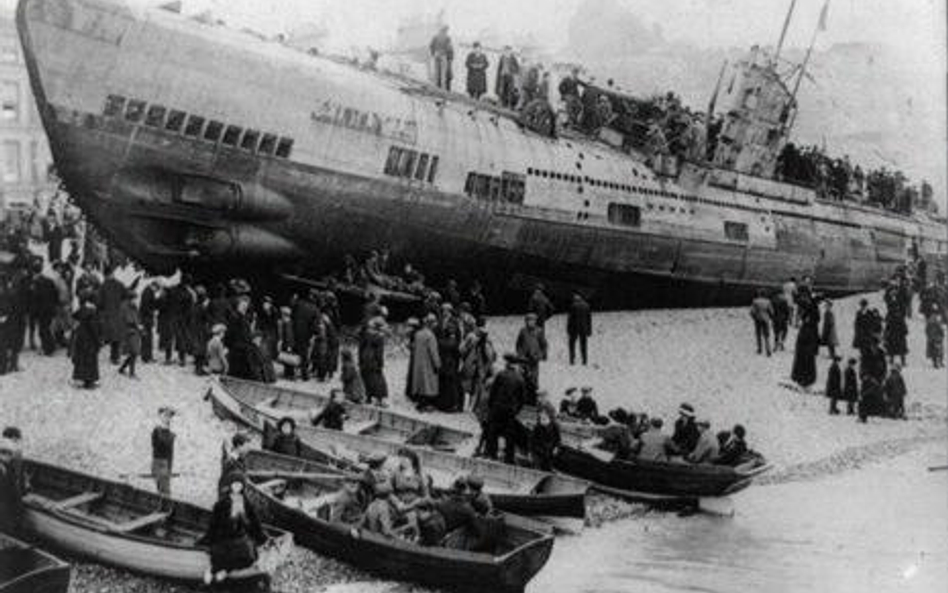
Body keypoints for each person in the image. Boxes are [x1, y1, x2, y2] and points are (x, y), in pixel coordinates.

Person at [200, 477, 268, 585]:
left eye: (239, 485)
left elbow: (255, 522)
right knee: (217, 554)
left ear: (242, 487)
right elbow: (213, 524)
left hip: (239, 538)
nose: (237, 487)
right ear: (231, 486)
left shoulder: (246, 503)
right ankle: (211, 570)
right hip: (223, 537)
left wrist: (263, 537)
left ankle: (226, 570)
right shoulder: (221, 504)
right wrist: (207, 538)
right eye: (234, 485)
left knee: (248, 557)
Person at [485, 354, 526, 464]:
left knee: (493, 432)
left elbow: (493, 393)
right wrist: (516, 410)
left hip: (497, 409)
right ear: (516, 365)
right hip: (510, 412)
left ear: (507, 364)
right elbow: (522, 399)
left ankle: (492, 455)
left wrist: (491, 407)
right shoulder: (520, 379)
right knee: (510, 435)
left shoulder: (500, 375)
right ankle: (509, 459)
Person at [460, 318, 496, 414]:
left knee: (468, 386)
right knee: (476, 387)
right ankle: (472, 407)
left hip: (471, 364)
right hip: (480, 367)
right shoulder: (487, 339)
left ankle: (466, 406)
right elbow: (492, 356)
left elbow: (462, 350)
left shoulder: (470, 336)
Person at [515, 313, 547, 406]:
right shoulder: (522, 331)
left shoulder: (539, 331)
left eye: (532, 321)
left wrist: (540, 355)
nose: (530, 323)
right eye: (529, 321)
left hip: (534, 360)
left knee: (534, 380)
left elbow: (543, 345)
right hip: (524, 360)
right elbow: (518, 344)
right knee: (523, 379)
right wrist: (520, 355)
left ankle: (533, 400)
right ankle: (523, 400)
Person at [436, 305, 463, 412]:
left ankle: (451, 404)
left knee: (450, 381)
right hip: (443, 356)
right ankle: (443, 403)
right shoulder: (441, 321)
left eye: (446, 311)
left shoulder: (453, 323)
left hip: (451, 357)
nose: (444, 312)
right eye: (443, 311)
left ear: (450, 311)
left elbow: (453, 343)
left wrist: (439, 343)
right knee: (444, 379)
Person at [791, 294, 820, 389]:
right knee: (809, 358)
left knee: (801, 357)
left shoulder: (807, 315)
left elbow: (804, 318)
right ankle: (808, 379)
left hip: (804, 337)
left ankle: (799, 377)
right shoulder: (815, 313)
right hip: (810, 337)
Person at [71, 296, 101, 389]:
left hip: (80, 338)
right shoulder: (92, 313)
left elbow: (74, 317)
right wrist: (98, 342)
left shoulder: (81, 311)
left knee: (81, 360)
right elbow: (94, 329)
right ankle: (89, 382)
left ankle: (80, 379)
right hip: (90, 340)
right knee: (90, 361)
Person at [359, 316, 389, 406]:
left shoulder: (366, 334)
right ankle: (379, 400)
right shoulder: (379, 337)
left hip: (365, 358)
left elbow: (361, 348)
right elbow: (379, 353)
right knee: (378, 379)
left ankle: (368, 397)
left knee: (366, 378)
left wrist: (360, 360)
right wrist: (380, 363)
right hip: (374, 360)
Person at [99, 265, 126, 365]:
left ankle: (114, 357)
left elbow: (100, 302)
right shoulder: (119, 284)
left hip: (108, 314)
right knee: (117, 336)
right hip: (118, 313)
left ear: (105, 275)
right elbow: (125, 295)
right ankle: (116, 356)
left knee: (112, 336)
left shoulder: (103, 286)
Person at [0, 431, 24, 533]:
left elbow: (16, 477)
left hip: (10, 496)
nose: (10, 457)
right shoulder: (4, 467)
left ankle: (12, 528)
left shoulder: (10, 463)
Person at [151, 406, 176, 503]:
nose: (168, 418)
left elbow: (170, 451)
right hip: (159, 463)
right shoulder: (157, 431)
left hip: (167, 464)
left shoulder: (169, 432)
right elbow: (158, 445)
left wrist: (169, 468)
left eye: (169, 416)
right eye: (165, 415)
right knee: (164, 492)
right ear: (160, 416)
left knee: (165, 492)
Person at [117, 289, 141, 378]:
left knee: (133, 352)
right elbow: (128, 319)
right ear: (130, 298)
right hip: (128, 332)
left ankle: (122, 368)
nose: (136, 301)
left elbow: (137, 316)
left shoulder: (133, 306)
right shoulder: (124, 307)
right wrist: (137, 325)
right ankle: (131, 373)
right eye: (135, 299)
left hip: (134, 331)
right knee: (134, 352)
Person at [566, 293, 592, 366]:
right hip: (584, 328)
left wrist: (568, 329)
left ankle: (572, 359)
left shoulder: (573, 306)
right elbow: (589, 319)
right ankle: (584, 360)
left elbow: (570, 319)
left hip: (574, 328)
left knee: (572, 344)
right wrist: (589, 330)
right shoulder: (587, 306)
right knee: (583, 345)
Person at [429, 25, 454, 91]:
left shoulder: (435, 37)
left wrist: (433, 53)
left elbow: (431, 46)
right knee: (443, 73)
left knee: (437, 71)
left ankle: (436, 86)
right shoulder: (447, 37)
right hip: (443, 55)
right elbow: (449, 48)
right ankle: (443, 88)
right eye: (447, 30)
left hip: (436, 55)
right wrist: (450, 57)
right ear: (445, 30)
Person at [749, 289, 773, 356]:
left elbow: (751, 312)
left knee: (758, 334)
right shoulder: (768, 301)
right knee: (767, 335)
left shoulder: (755, 301)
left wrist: (754, 317)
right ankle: (768, 350)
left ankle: (759, 349)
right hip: (766, 319)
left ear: (759, 294)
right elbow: (771, 311)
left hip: (758, 319)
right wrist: (770, 317)